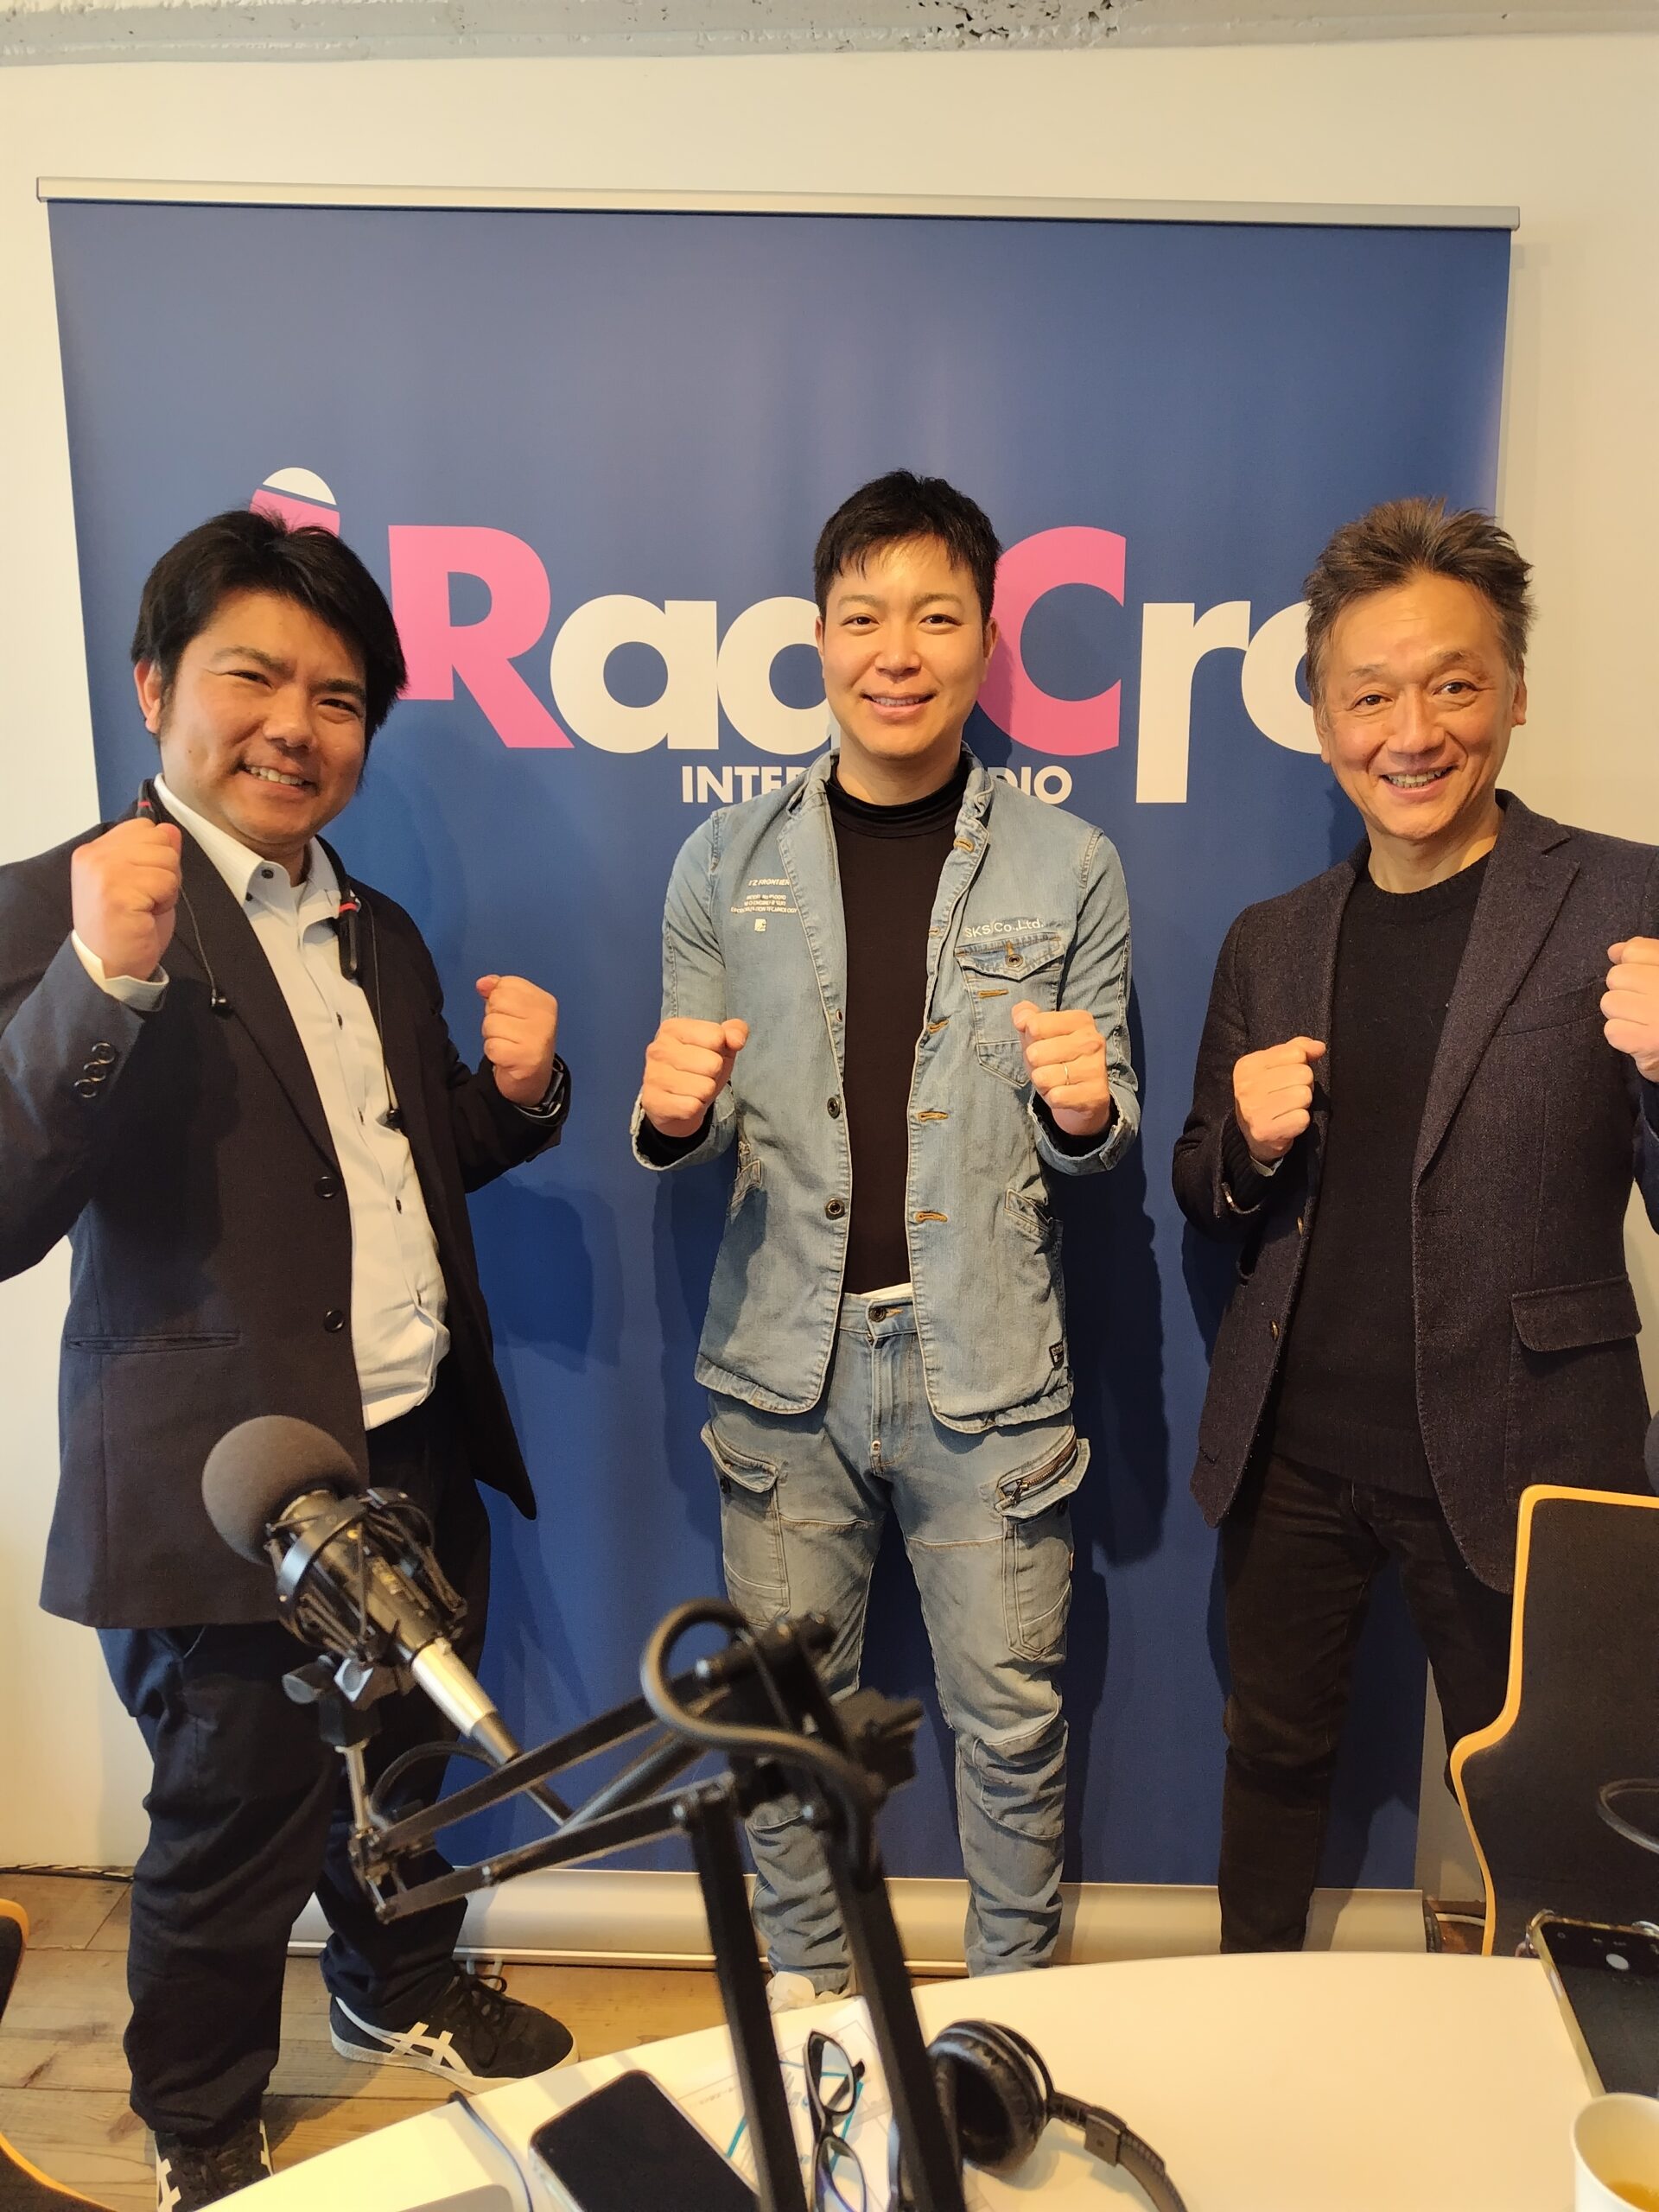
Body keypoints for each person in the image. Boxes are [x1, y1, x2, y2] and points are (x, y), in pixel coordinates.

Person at [0, 511, 576, 2208]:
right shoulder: (58, 907)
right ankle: (199, 2121)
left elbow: (387, 1167)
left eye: (336, 697)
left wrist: (518, 1100)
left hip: (409, 1441)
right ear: (154, 686)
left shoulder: (377, 927)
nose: (294, 726)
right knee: (232, 1818)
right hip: (231, 1481)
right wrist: (98, 981)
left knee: (404, 1771)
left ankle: (397, 1980)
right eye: (251, 677)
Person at [632, 470, 1140, 2002]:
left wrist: (1083, 1107)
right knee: (786, 1726)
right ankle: (815, 2014)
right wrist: (666, 1112)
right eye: (864, 618)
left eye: (935, 617)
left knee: (1012, 1725)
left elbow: (1100, 1132)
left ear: (986, 640)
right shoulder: (724, 863)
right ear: (818, 637)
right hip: (781, 1369)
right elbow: (690, 1116)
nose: (897, 653)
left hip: (990, 1371)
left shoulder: (1071, 866)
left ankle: (1005, 2025)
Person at [1173, 497, 1659, 1953]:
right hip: (1295, 1449)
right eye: (1370, 694)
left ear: (1514, 691)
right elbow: (1201, 1186)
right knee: (1270, 1762)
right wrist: (1248, 1148)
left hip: (1532, 1446)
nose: (1412, 731)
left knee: (1556, 1802)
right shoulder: (1272, 937)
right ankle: (1250, 2019)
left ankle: (1559, 2061)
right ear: (1323, 714)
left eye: (1453, 685)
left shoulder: (1626, 896)